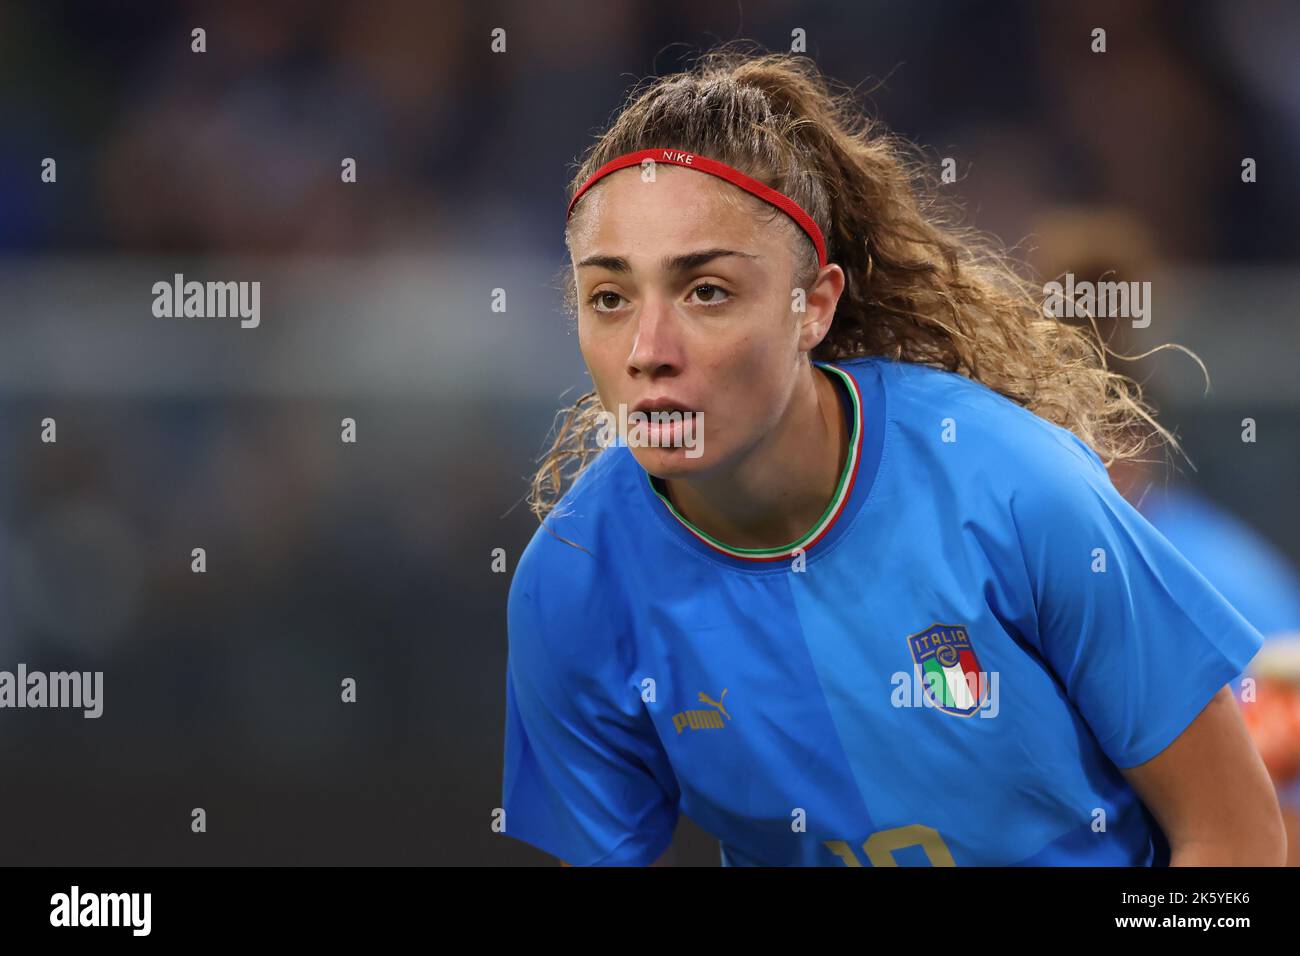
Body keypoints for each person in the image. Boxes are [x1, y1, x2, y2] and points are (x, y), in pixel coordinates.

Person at [500, 46, 1284, 866]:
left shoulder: (1017, 487)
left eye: (707, 291)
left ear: (814, 308)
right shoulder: (571, 580)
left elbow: (1235, 839)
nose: (648, 349)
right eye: (610, 298)